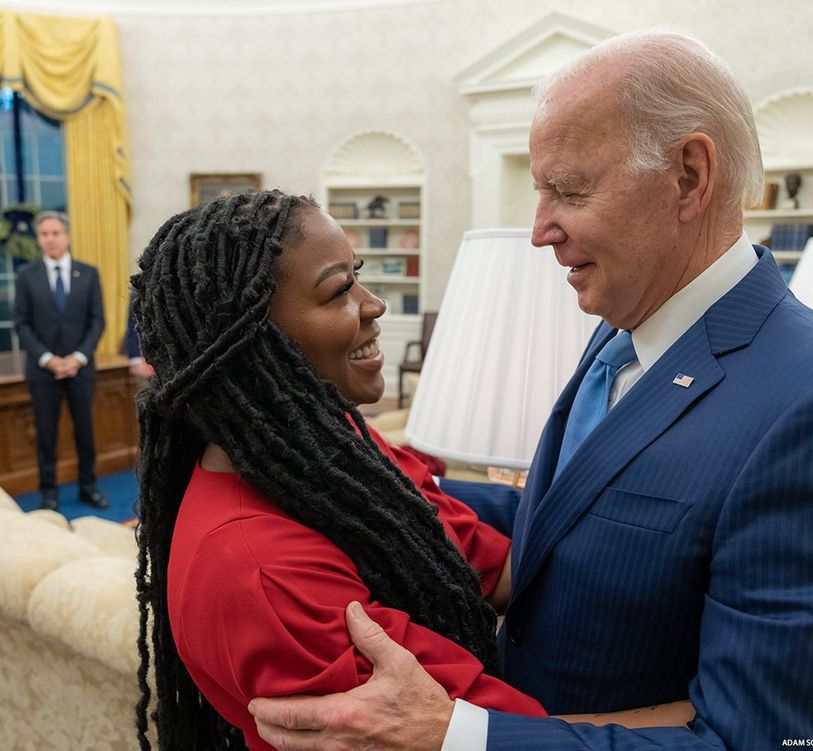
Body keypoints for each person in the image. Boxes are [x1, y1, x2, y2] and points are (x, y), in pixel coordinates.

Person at [248, 30, 813, 751]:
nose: (541, 231)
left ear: (690, 177)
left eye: (568, 191)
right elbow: (573, 515)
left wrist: (459, 736)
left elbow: (763, 739)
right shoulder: (623, 326)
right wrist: (362, 476)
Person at [132, 191, 689, 751]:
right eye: (338, 291)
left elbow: (494, 570)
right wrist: (725, 722)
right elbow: (511, 737)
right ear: (256, 348)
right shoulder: (261, 572)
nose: (374, 305)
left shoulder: (339, 448)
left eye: (360, 276)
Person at [13, 210, 108, 511]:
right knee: (46, 432)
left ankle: (88, 487)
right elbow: (21, 324)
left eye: (55, 233)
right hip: (43, 372)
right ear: (39, 239)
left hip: (80, 369)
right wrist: (48, 359)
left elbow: (97, 321)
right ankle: (49, 492)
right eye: (44, 234)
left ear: (66, 236)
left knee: (85, 431)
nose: (50, 239)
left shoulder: (89, 273)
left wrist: (78, 357)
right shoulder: (26, 276)